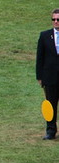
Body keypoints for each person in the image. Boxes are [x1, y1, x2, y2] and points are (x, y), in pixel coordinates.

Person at [35, 8, 59, 139]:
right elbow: (40, 57)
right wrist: (39, 76)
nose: (56, 22)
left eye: (58, 19)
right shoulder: (44, 36)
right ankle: (51, 131)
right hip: (50, 77)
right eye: (53, 19)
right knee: (50, 104)